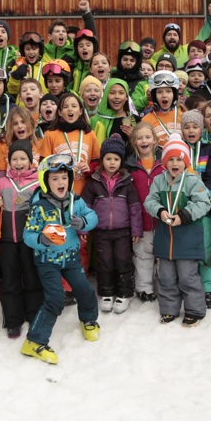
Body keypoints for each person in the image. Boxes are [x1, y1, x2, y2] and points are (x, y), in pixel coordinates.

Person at [21, 154, 101, 364]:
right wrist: (43, 239)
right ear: (45, 181)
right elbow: (28, 235)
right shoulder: (39, 206)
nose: (60, 182)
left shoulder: (76, 200)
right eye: (55, 178)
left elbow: (93, 216)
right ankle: (34, 342)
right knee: (55, 300)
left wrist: (83, 221)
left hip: (71, 259)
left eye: (64, 177)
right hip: (47, 262)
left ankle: (89, 319)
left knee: (84, 290)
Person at [145, 136, 211, 326]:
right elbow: (149, 201)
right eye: (171, 159)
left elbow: (203, 203)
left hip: (188, 240)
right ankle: (169, 309)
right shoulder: (159, 180)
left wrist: (183, 216)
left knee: (188, 276)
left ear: (186, 162)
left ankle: (194, 310)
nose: (175, 163)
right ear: (165, 162)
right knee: (165, 277)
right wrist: (160, 211)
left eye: (179, 159)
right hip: (165, 239)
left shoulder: (193, 180)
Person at [82, 134, 143, 314]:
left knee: (123, 261)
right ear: (102, 160)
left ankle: (124, 292)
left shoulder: (127, 181)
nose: (112, 162)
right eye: (108, 158)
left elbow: (134, 207)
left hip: (123, 231)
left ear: (121, 161)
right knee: (105, 262)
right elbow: (84, 206)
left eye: (116, 159)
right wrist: (84, 227)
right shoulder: (93, 182)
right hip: (101, 231)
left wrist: (136, 229)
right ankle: (106, 292)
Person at [0, 140, 43, 336]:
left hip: (30, 241)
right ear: (9, 161)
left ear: (31, 161)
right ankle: (13, 320)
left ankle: (34, 315)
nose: (19, 162)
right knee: (10, 280)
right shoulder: (3, 182)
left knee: (32, 278)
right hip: (7, 241)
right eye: (15, 158)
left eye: (23, 158)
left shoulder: (38, 182)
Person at [179, 110, 211, 307]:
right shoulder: (178, 150)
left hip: (203, 208)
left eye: (195, 126)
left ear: (201, 129)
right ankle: (188, 284)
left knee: (206, 249)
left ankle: (210, 288)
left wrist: (205, 198)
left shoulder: (209, 150)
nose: (191, 130)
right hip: (183, 208)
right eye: (187, 127)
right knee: (185, 249)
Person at [126, 122, 164, 303]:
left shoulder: (164, 163)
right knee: (143, 255)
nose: (144, 141)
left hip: (163, 220)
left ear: (155, 140)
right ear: (133, 142)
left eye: (148, 137)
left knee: (164, 254)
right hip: (141, 221)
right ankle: (144, 287)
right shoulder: (130, 167)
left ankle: (165, 285)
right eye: (139, 138)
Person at [38, 94, 100, 195]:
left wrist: (90, 168)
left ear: (80, 111)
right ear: (59, 112)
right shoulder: (50, 134)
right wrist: (63, 165)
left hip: (86, 192)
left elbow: (97, 162)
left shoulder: (89, 134)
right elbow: (43, 164)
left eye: (74, 106)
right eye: (65, 107)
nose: (70, 109)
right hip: (60, 193)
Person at [141, 70, 184, 148]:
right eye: (159, 92)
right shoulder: (146, 120)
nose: (164, 95)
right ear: (154, 96)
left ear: (174, 94)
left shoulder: (183, 116)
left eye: (168, 91)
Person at [91, 77, 136, 146]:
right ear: (106, 96)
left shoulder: (135, 120)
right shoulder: (95, 120)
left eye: (121, 93)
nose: (117, 96)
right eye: (112, 93)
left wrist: (134, 138)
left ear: (126, 97)